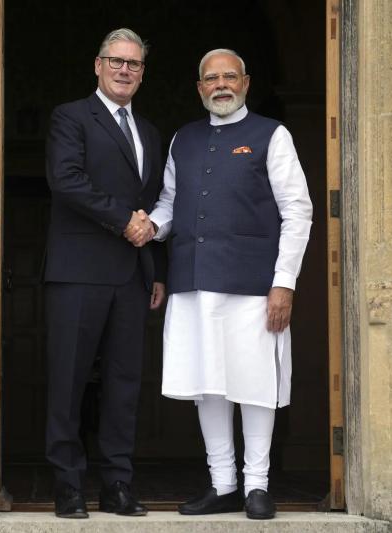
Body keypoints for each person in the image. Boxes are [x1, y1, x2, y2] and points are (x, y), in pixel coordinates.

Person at [126, 48, 312, 520]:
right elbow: (169, 201)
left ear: (246, 83)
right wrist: (154, 227)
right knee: (207, 385)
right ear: (200, 88)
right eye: (212, 78)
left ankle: (257, 486)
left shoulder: (273, 135)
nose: (221, 85)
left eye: (230, 76)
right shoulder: (182, 140)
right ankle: (223, 482)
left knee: (253, 383)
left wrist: (284, 282)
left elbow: (298, 210)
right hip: (193, 282)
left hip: (253, 285)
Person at [43, 28, 165, 519]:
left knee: (124, 385)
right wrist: (125, 221)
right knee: (67, 381)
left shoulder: (150, 133)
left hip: (132, 276)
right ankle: (68, 485)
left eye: (133, 64)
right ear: (97, 65)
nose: (123, 70)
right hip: (77, 272)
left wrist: (157, 269)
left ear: (142, 73)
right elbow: (66, 181)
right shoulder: (71, 117)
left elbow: (155, 203)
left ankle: (118, 485)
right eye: (115, 61)